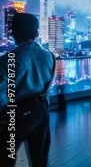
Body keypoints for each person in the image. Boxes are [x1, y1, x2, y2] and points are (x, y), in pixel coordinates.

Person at [0, 13, 55, 167]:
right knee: (40, 160)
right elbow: (47, 87)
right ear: (36, 33)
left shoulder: (7, 60)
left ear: (13, 33)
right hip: (40, 112)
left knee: (6, 159)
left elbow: (0, 94)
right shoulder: (49, 57)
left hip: (13, 118)